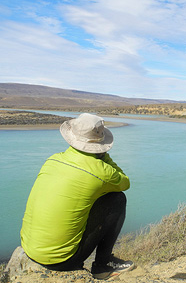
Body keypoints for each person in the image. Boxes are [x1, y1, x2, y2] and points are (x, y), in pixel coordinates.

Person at [20, 113, 134, 280]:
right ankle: (102, 265)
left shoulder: (53, 160)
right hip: (61, 261)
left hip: (29, 248)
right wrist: (103, 155)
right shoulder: (102, 172)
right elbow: (125, 183)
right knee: (117, 199)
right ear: (101, 145)